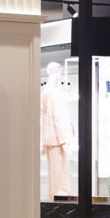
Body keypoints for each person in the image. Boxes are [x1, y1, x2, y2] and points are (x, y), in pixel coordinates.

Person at [40, 62, 73, 198]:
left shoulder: (45, 92)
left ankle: (55, 198)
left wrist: (43, 140)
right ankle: (60, 200)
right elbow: (58, 117)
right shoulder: (55, 93)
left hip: (50, 139)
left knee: (54, 175)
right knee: (61, 176)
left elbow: (43, 118)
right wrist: (64, 140)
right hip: (58, 140)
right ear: (58, 72)